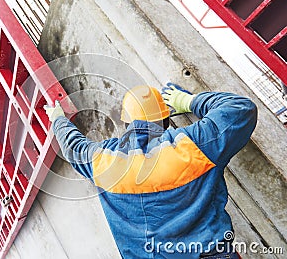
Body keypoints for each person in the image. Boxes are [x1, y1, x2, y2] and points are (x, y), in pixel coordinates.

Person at [44, 83, 257, 259]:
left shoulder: (104, 161)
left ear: (127, 123)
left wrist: (58, 119)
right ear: (166, 120)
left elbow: (73, 146)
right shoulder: (193, 145)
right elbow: (240, 109)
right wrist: (188, 101)